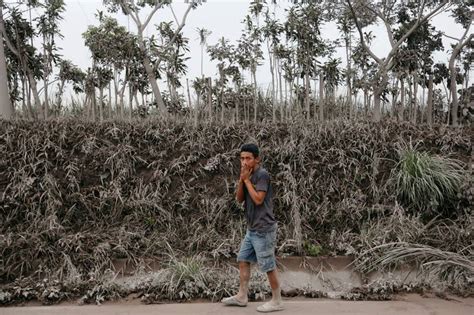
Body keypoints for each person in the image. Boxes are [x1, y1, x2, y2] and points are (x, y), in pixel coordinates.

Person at [222, 143, 284, 313]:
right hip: (252, 229)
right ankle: (242, 296)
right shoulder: (246, 174)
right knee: (243, 259)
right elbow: (239, 199)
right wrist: (242, 180)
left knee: (268, 265)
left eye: (248, 158)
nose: (244, 162)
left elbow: (258, 199)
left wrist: (247, 180)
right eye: (241, 158)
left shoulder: (262, 175)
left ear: (257, 159)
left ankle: (277, 300)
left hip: (264, 228)